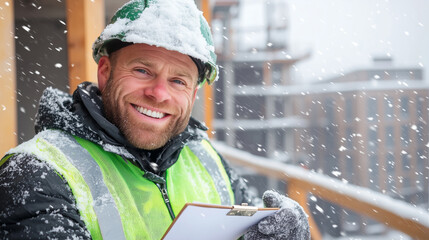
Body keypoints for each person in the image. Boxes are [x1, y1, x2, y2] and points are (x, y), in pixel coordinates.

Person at [0, 0, 310, 239]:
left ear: (193, 93)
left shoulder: (206, 158)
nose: (159, 93)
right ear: (105, 72)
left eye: (178, 81)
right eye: (142, 71)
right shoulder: (36, 172)